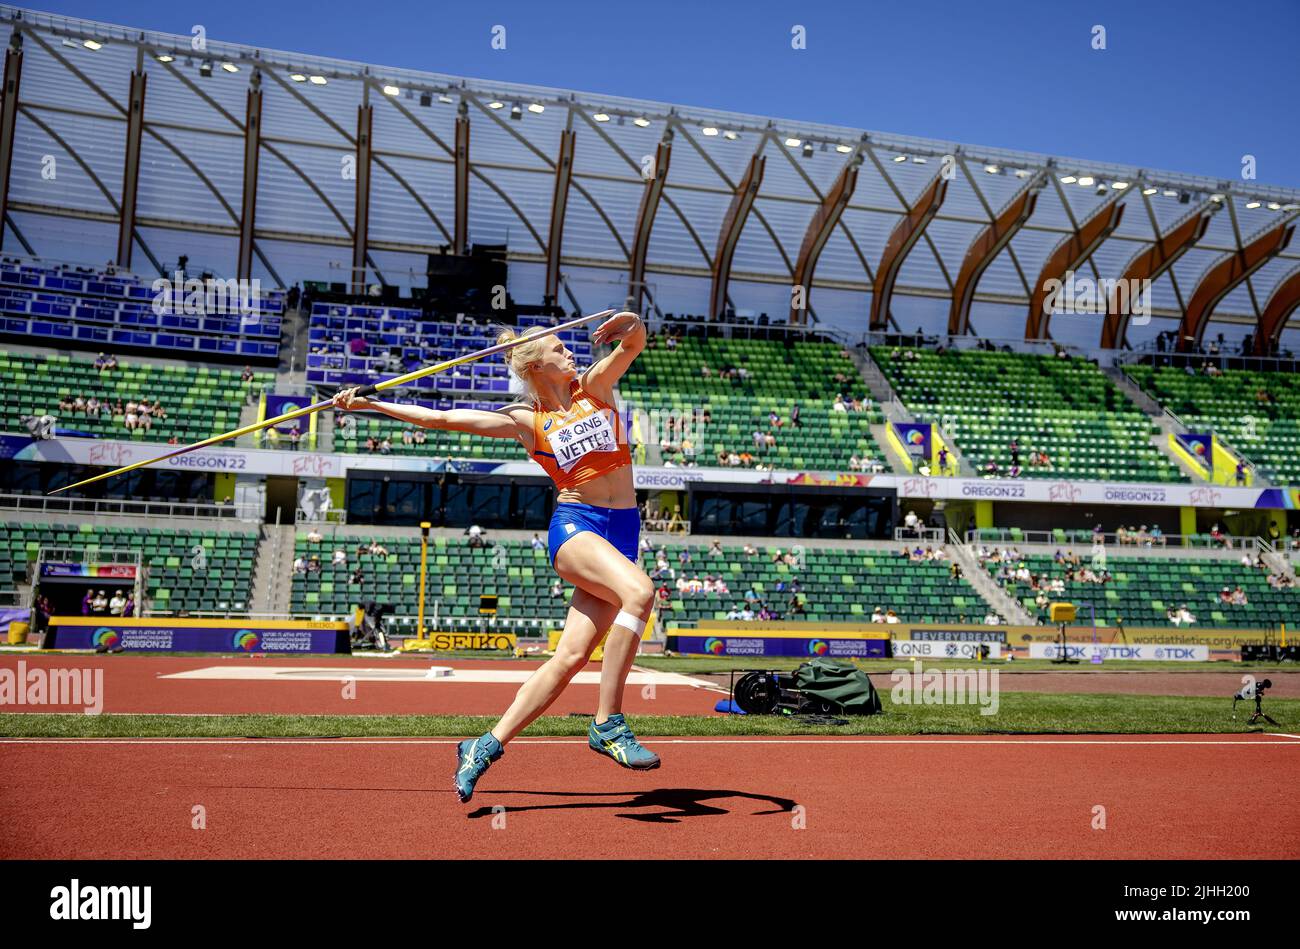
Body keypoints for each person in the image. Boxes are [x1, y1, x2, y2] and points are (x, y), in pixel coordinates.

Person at [334, 310, 659, 804]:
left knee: (569, 658)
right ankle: (608, 723)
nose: (570, 351)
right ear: (535, 368)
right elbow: (440, 418)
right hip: (579, 528)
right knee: (640, 591)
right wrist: (372, 405)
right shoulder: (527, 421)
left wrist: (629, 321)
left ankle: (483, 746)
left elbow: (634, 343)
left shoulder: (595, 387)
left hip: (624, 532)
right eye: (558, 349)